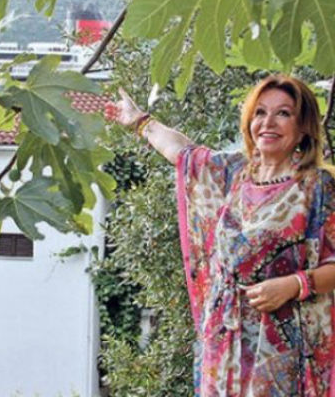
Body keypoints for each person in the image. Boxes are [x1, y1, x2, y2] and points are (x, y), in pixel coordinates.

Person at [104, 75, 335, 396]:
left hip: (283, 346)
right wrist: (140, 122)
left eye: (283, 113)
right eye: (260, 112)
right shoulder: (232, 173)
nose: (268, 122)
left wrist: (293, 285)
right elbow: (182, 152)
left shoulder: (317, 187)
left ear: (304, 127)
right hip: (223, 340)